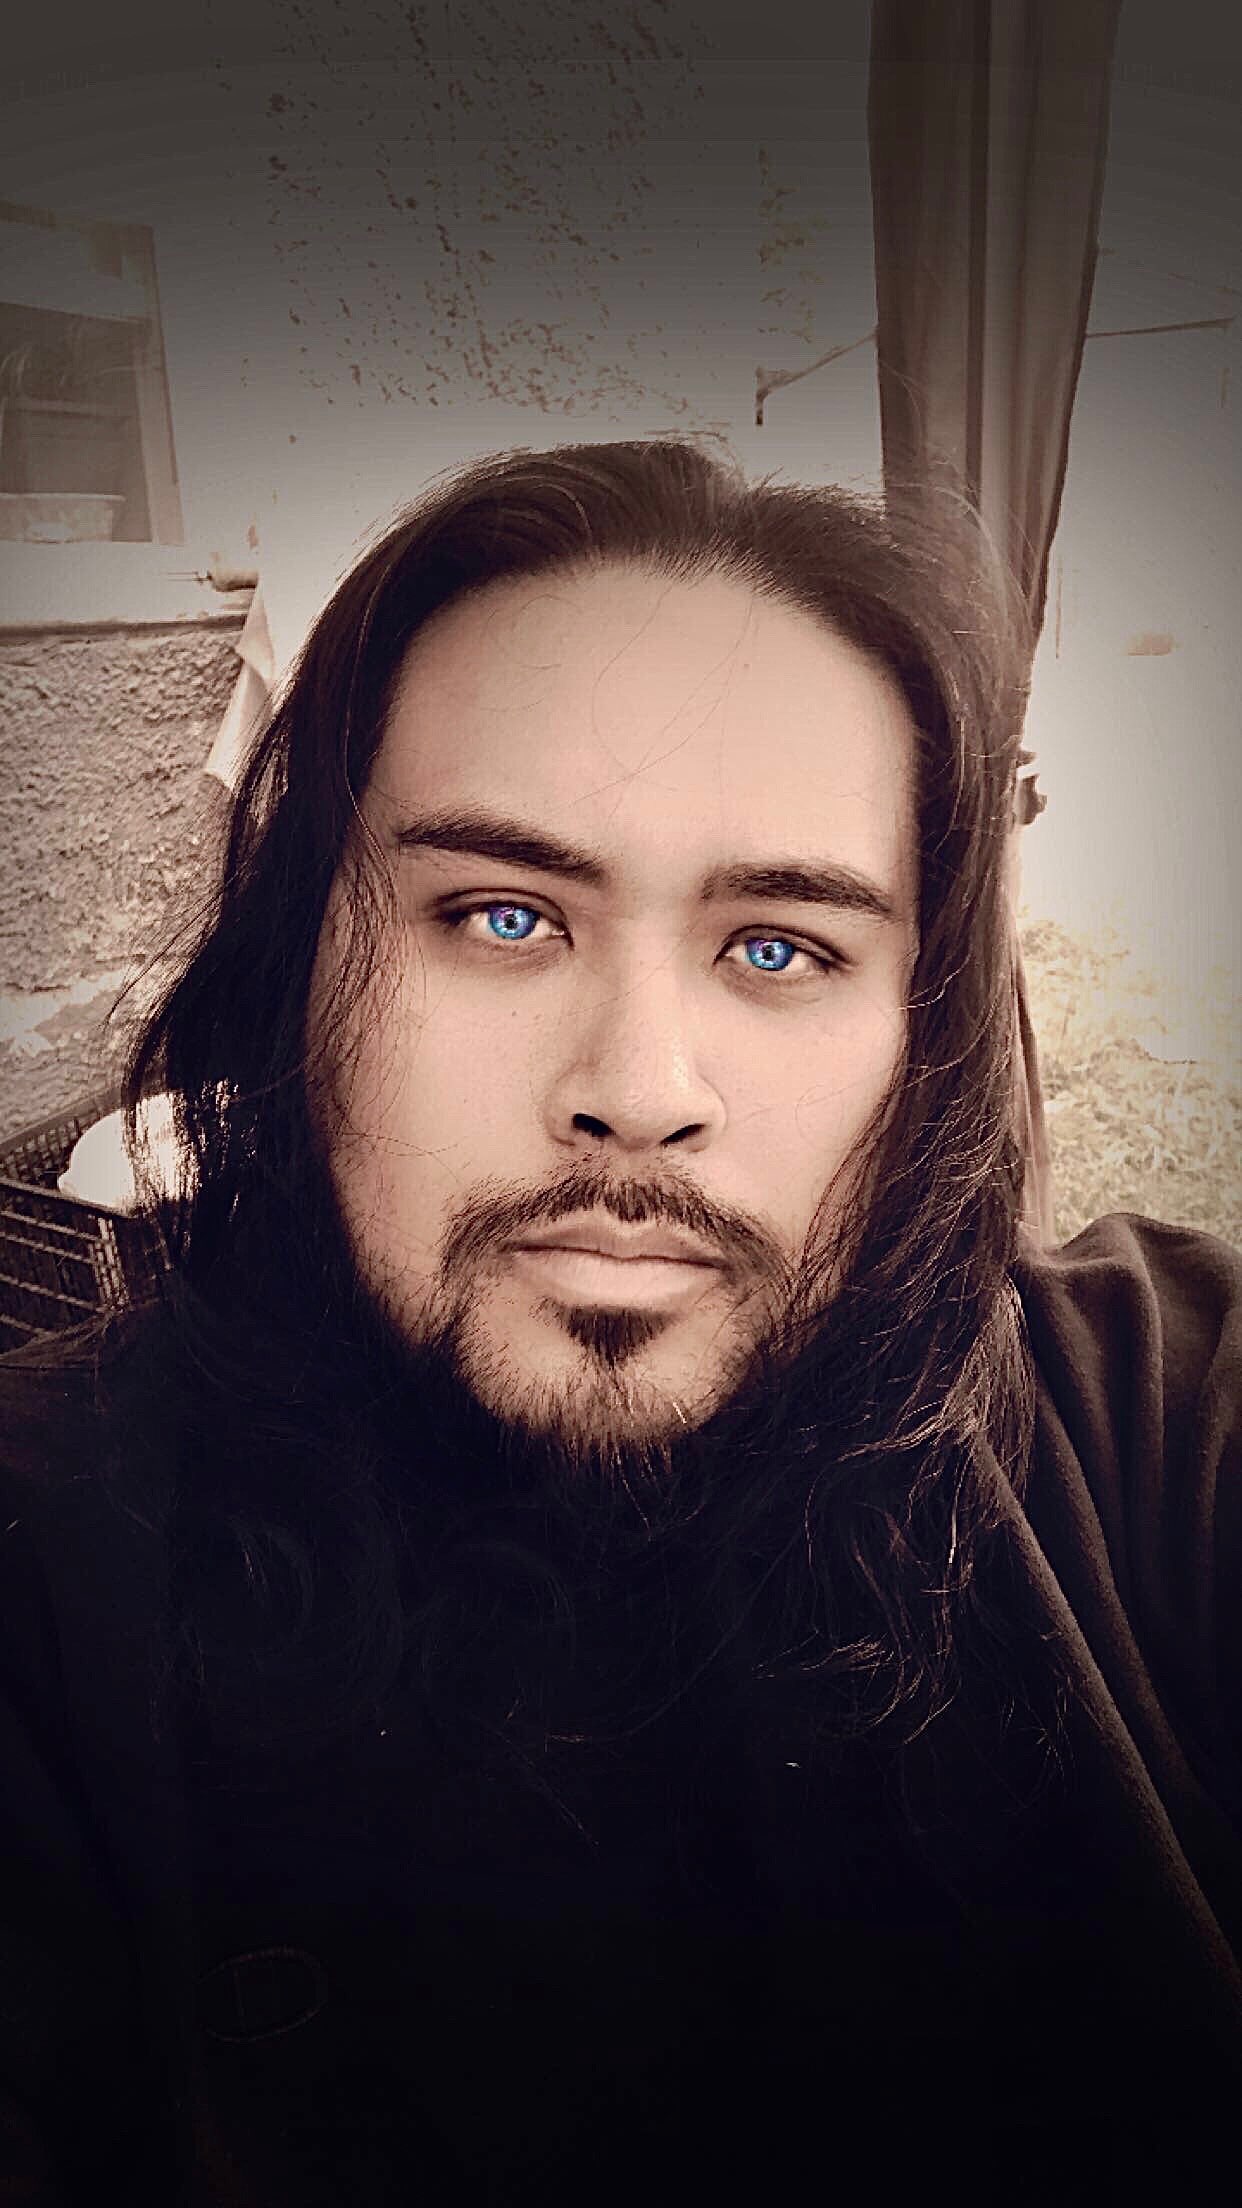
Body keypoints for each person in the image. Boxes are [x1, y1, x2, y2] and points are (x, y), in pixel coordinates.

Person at [1, 438, 1239, 2206]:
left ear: (925, 1034)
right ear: (299, 976)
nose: (639, 1091)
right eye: (501, 916)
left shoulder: (1157, 1436)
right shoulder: (43, 1571)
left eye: (778, 947)